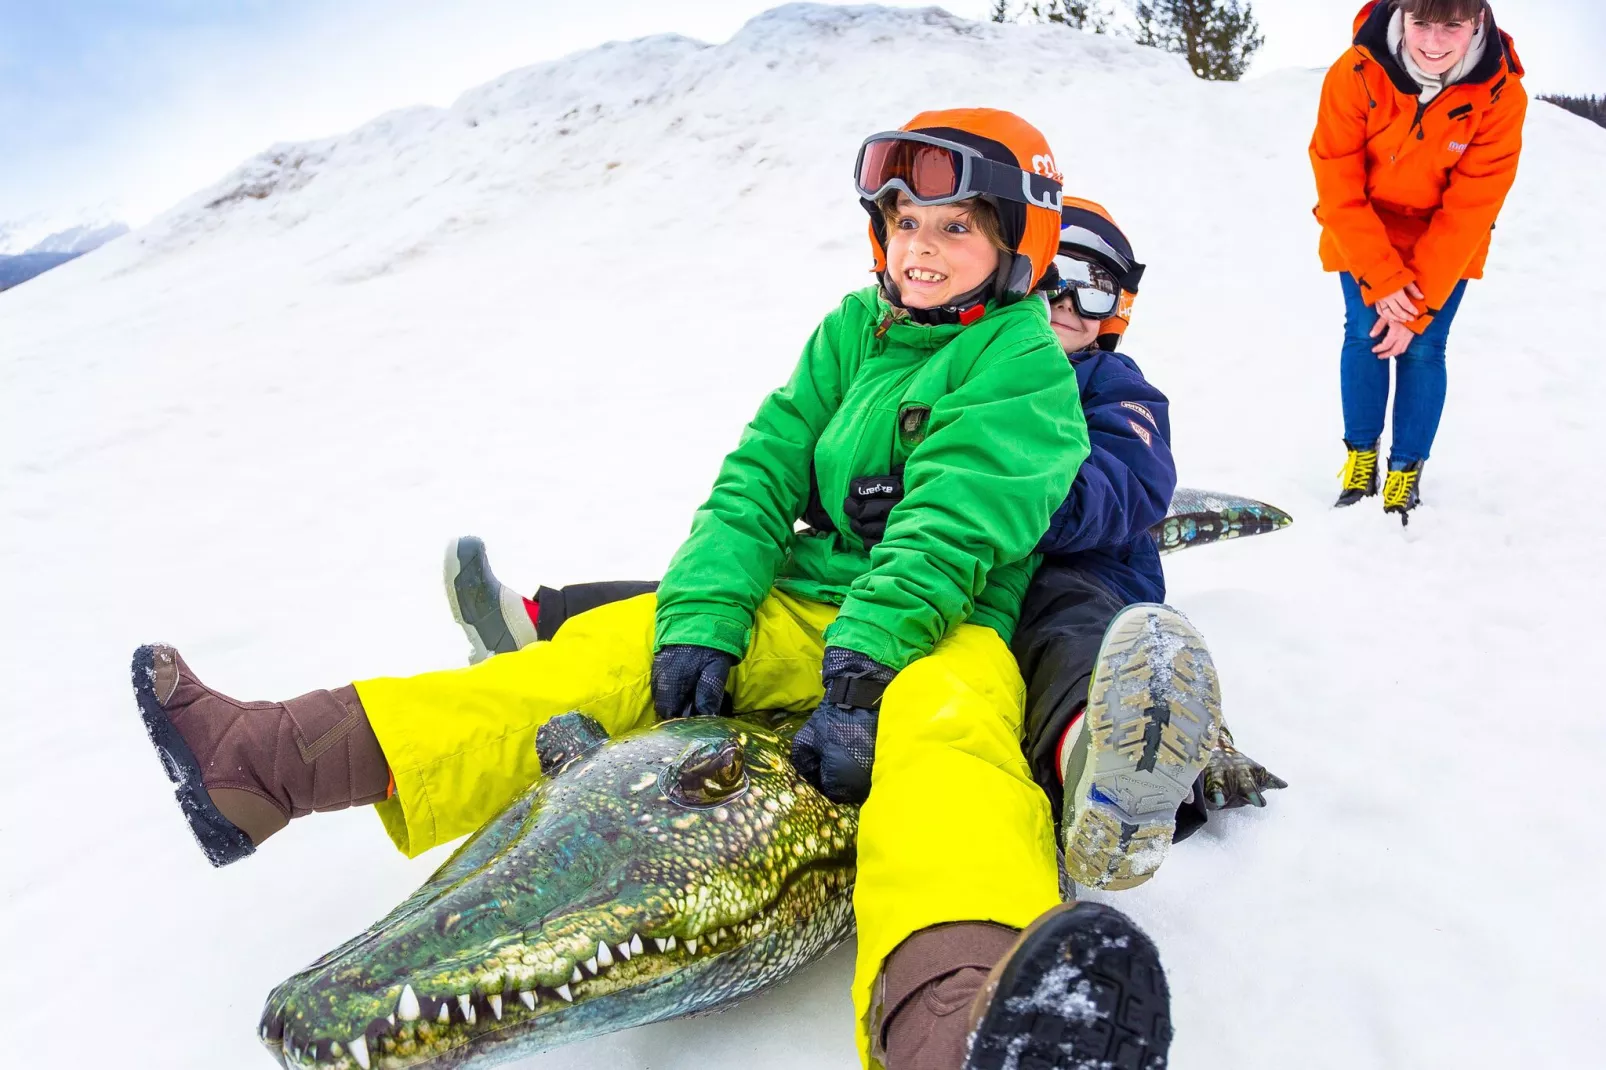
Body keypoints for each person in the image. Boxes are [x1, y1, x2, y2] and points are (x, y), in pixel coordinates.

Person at [133, 110, 1190, 1069]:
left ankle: (959, 1021)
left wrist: (863, 678)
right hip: (813, 591)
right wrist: (701, 621)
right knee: (604, 653)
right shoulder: (847, 334)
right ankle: (265, 760)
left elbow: (951, 526)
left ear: (1016, 248)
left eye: (956, 228)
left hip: (945, 620)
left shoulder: (1024, 365)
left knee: (945, 753)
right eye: (905, 219)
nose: (921, 245)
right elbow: (759, 476)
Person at [446, 198, 1285, 846]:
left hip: (1064, 570)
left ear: (1117, 310)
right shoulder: (934, 350)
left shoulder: (1116, 390)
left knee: (1073, 634)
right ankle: (549, 619)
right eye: (1053, 277)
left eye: (1091, 287)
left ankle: (1102, 763)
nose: (1063, 302)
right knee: (761, 589)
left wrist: (988, 486)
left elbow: (1125, 488)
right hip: (905, 570)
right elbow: (805, 466)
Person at [1311, 0, 1526, 522]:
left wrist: (1418, 304)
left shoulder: (1501, 92)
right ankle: (1361, 458)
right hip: (1366, 227)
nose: (1432, 42)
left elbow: (1472, 206)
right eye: (1421, 22)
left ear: (1476, 20)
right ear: (1402, 15)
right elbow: (1336, 178)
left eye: (1451, 24)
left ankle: (1406, 470)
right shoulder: (1357, 70)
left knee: (1424, 347)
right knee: (1365, 335)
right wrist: (1382, 278)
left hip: (1446, 237)